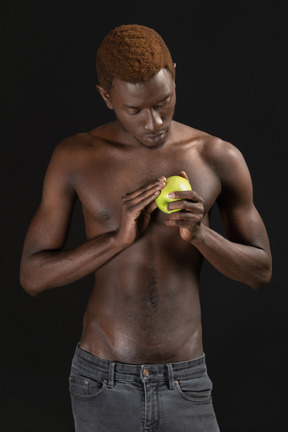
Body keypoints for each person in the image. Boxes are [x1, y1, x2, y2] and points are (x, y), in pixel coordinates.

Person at [20, 24, 272, 432]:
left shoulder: (217, 157)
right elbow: (33, 276)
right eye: (135, 110)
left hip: (185, 381)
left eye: (164, 102)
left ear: (174, 74)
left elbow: (261, 271)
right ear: (106, 98)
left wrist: (202, 234)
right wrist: (118, 239)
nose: (153, 122)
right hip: (101, 380)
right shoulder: (75, 157)